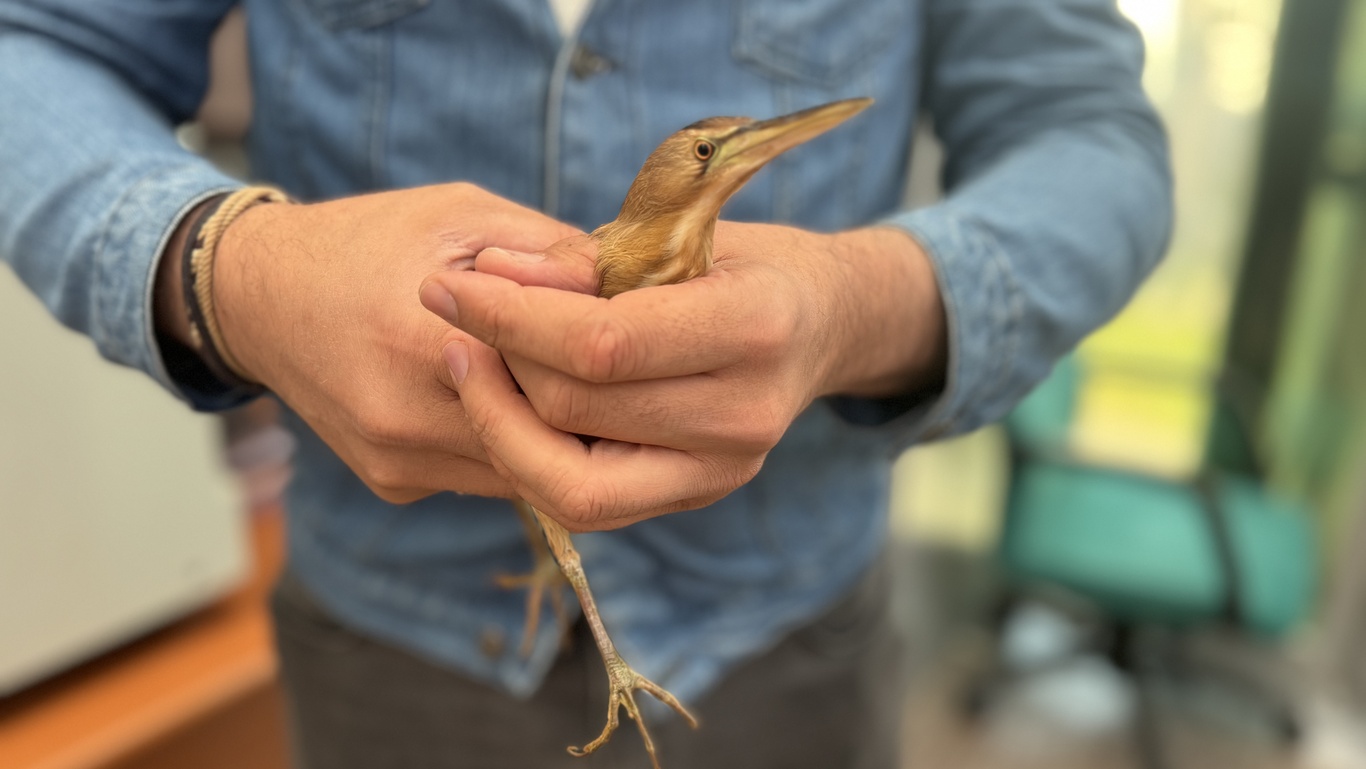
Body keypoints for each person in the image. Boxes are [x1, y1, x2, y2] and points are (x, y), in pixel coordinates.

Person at [0, 1, 1171, 766]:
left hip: (783, 656)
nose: (741, 154)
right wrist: (237, 268)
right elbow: (32, 46)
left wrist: (860, 300)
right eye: (717, 151)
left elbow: (1092, 135)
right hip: (388, 653)